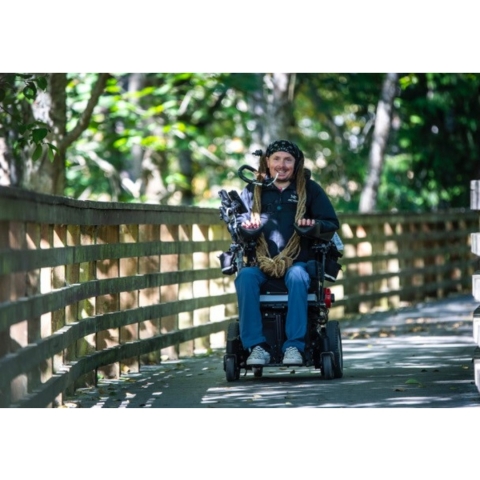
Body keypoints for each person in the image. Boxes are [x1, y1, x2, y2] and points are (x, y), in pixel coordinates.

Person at [234, 139, 340, 366]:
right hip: (262, 266)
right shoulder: (254, 190)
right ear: (267, 162)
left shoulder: (310, 189)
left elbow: (331, 223)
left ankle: (294, 346)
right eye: (276, 159)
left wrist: (314, 226)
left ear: (296, 163)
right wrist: (245, 228)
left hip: (299, 264)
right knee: (245, 277)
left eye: (288, 160)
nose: (282, 165)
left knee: (298, 275)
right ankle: (256, 347)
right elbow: (238, 222)